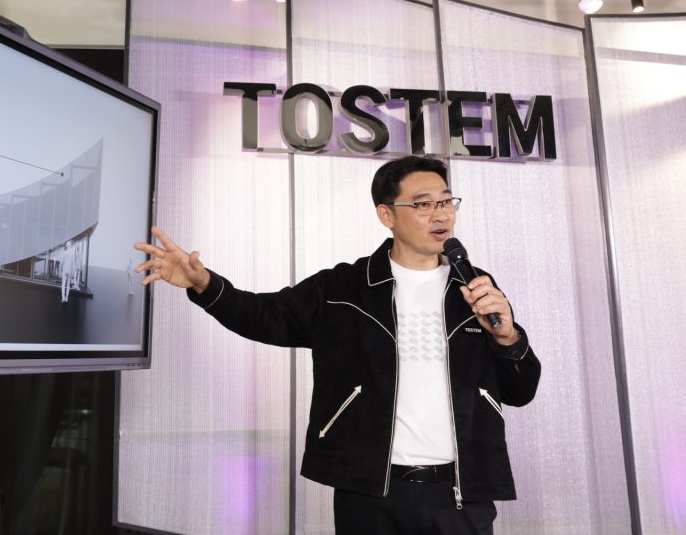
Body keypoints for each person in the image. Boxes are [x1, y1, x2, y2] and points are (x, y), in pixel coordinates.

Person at [134, 155, 541, 534]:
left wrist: (508, 338)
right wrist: (205, 285)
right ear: (387, 215)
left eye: (446, 202)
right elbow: (262, 315)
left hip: (462, 494)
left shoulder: (475, 288)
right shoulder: (343, 290)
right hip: (371, 492)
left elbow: (520, 391)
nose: (441, 214)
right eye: (423, 204)